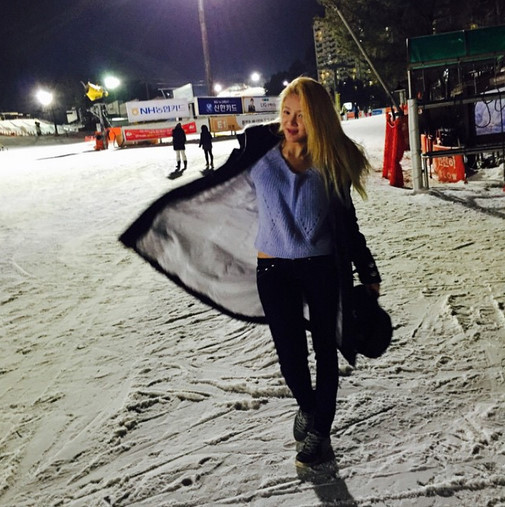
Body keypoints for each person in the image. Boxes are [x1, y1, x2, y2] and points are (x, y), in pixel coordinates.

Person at [249, 77, 381, 468]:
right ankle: (308, 406)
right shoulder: (259, 149)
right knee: (290, 357)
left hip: (321, 268)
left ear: (319, 117)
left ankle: (320, 432)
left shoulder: (332, 161)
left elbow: (348, 224)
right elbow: (221, 186)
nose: (291, 122)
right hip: (272, 269)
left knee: (325, 352)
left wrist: (367, 268)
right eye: (286, 112)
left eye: (301, 115)